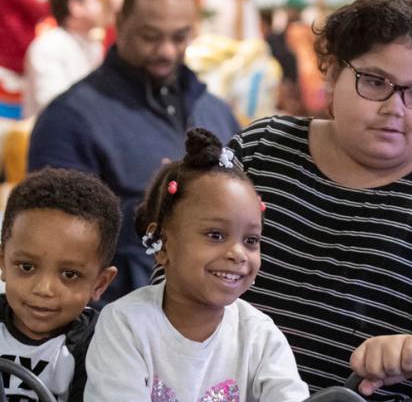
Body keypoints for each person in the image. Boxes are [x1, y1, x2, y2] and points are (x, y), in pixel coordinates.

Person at [157, 0, 412, 401]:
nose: (394, 108)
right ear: (332, 72)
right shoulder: (262, 151)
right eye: (375, 82)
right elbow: (180, 248)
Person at [28, 0, 240, 307]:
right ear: (121, 23)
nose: (167, 51)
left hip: (214, 324)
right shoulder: (69, 119)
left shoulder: (215, 111)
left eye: (180, 37)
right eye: (150, 36)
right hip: (115, 325)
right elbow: (54, 248)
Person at [84, 128, 309, 402]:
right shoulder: (125, 324)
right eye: (215, 235)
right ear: (163, 244)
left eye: (251, 240)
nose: (238, 253)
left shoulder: (261, 337)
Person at [0, 167, 120, 400]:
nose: (43, 289)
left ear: (100, 283)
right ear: (3, 263)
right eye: (26, 267)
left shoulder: (100, 344)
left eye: (69, 274)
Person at [23, 0, 105, 117]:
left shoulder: (94, 45)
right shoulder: (47, 47)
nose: (103, 7)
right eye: (96, 0)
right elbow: (54, 106)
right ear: (76, 6)